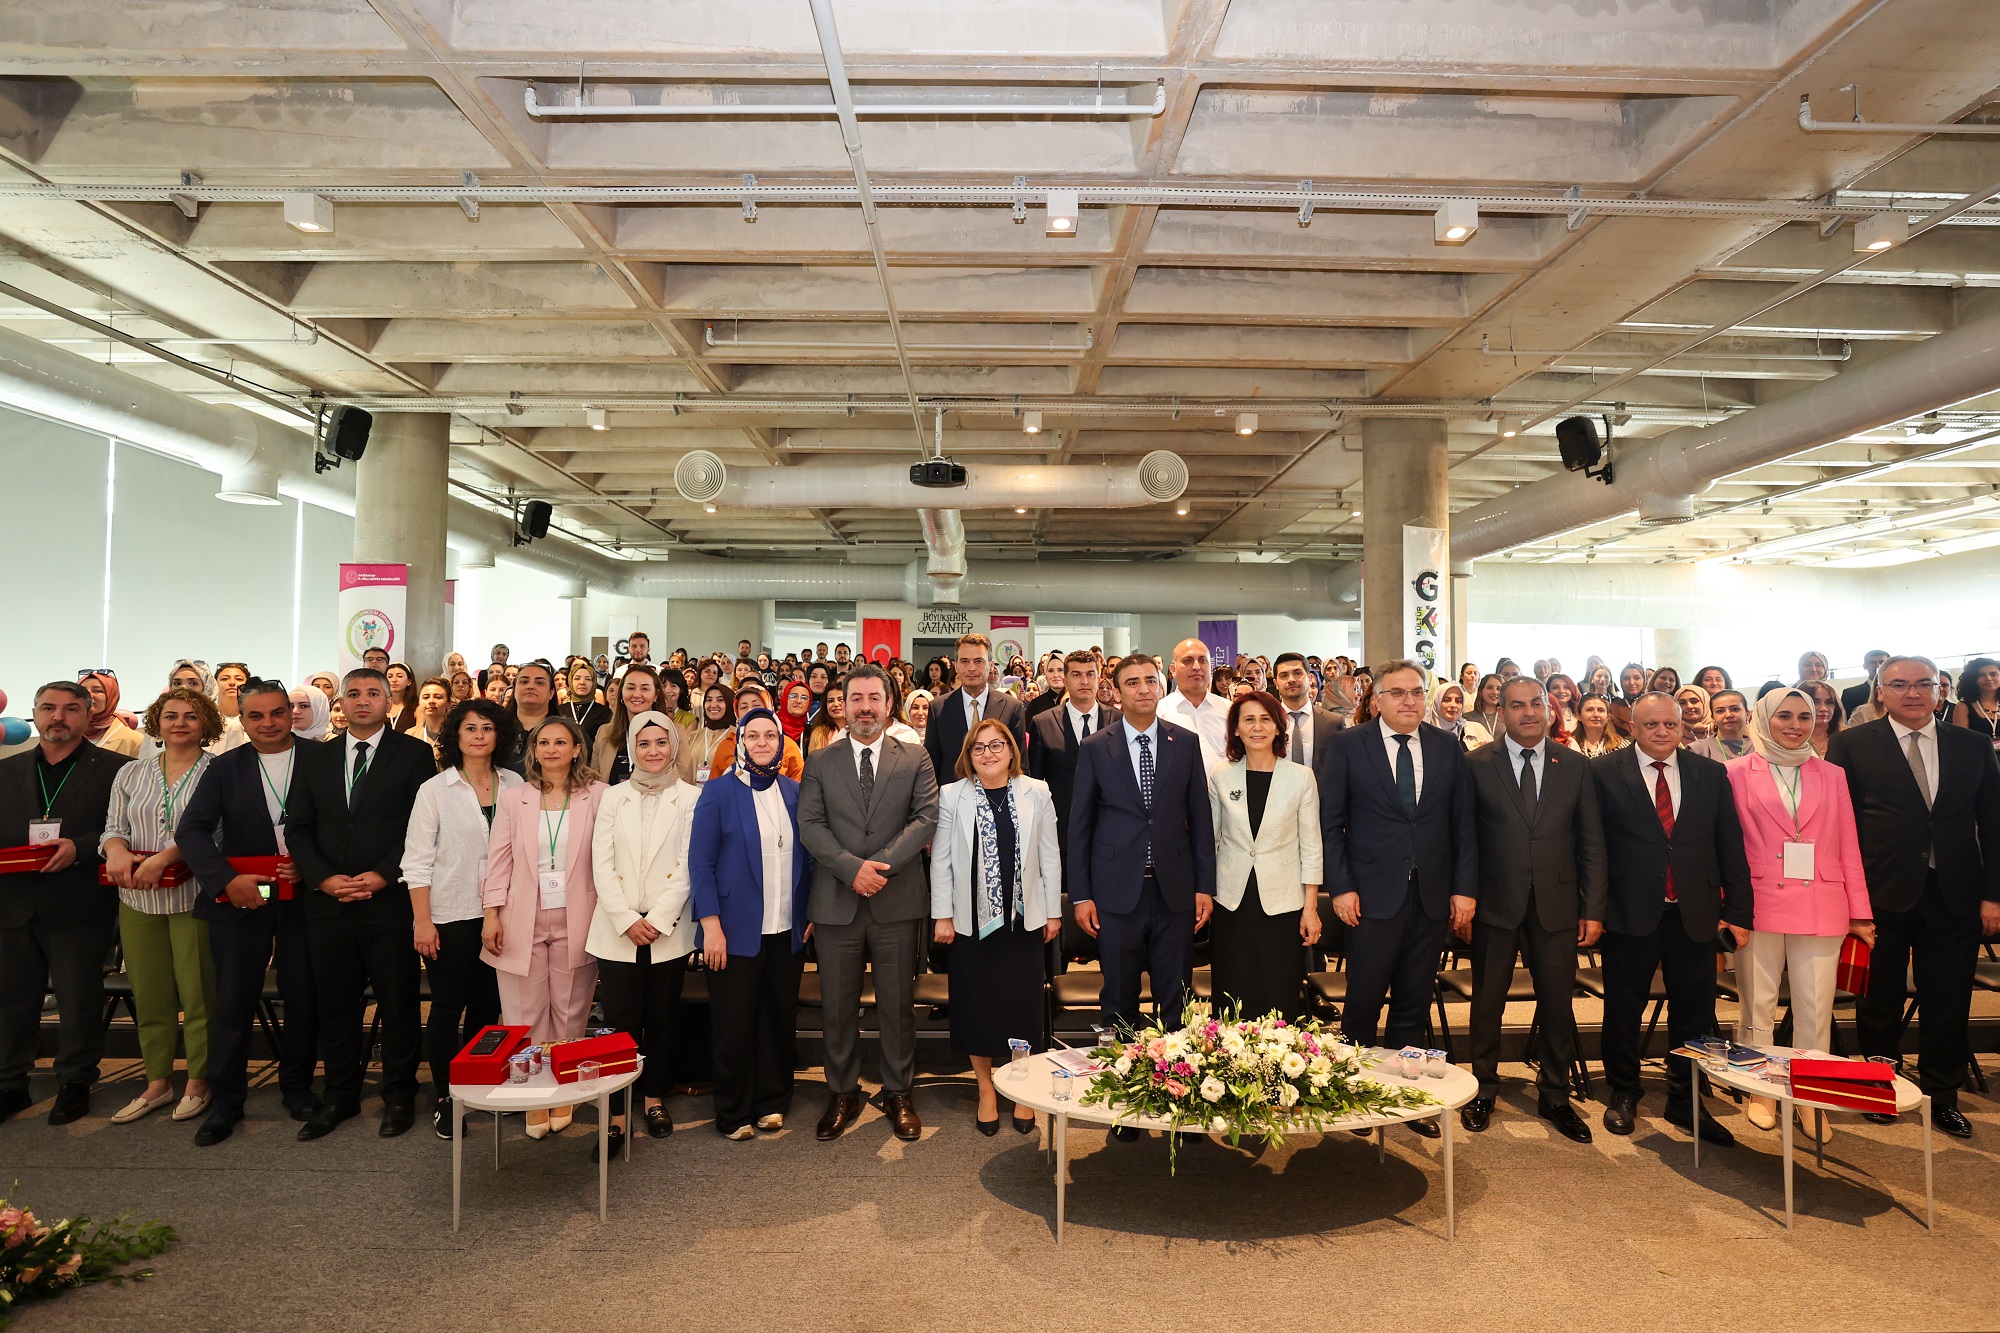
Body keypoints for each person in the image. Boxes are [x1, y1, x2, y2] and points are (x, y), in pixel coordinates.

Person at [1828, 655, 2000, 1140]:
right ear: (1879, 691)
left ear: (1939, 690)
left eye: (1924, 684)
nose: (1912, 693)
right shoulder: (1851, 744)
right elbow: (1838, 826)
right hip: (1879, 894)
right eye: (1899, 684)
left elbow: (1993, 822)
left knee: (1948, 998)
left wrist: (1994, 896)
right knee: (1878, 999)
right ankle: (1880, 1089)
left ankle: (1943, 1095)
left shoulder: (1970, 744)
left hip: (1956, 892)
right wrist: (1848, 898)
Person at [1318, 660, 1476, 1138]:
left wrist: (1464, 888)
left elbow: (1463, 825)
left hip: (1430, 895)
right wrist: (1341, 887)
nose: (1409, 700)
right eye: (1398, 693)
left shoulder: (1447, 747)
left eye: (1416, 692)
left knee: (1413, 999)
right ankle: (1355, 1094)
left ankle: (1409, 1098)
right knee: (1363, 1000)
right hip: (1369, 895)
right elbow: (1331, 824)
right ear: (1377, 699)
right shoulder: (1348, 746)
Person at [1592, 692, 1752, 1144]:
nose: (1661, 732)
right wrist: (1594, 910)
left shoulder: (1710, 773)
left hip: (1695, 913)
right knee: (1623, 1009)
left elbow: (1730, 846)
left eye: (1670, 724)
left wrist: (1737, 911)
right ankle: (1624, 1092)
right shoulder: (1604, 772)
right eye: (1650, 725)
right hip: (1628, 913)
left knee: (1695, 1013)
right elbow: (1593, 847)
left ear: (1683, 728)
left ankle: (1687, 1099)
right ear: (1632, 728)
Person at [1068, 653, 1217, 1138]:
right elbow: (1081, 826)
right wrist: (1081, 895)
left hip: (1174, 891)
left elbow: (1201, 821)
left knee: (1174, 996)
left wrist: (1203, 887)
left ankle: (1175, 1094)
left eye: (1150, 681)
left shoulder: (1185, 743)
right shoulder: (1096, 747)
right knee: (1119, 998)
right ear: (1116, 691)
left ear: (1160, 685)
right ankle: (1126, 1100)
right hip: (1115, 894)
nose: (1143, 689)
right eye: (1131, 683)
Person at [285, 668, 435, 1141]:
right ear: (341, 704)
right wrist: (324, 879)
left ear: (390, 701)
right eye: (353, 694)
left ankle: (398, 1096)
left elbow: (423, 825)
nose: (363, 700)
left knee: (399, 1003)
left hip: (388, 901)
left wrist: (386, 874)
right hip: (330, 903)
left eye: (374, 693)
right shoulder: (316, 757)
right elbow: (299, 828)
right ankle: (341, 1096)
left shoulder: (414, 754)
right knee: (336, 1004)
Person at [1459, 678, 1606, 1142]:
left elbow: (1592, 843)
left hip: (1558, 905)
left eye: (1535, 704)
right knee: (1488, 1002)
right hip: (1494, 903)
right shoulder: (1476, 765)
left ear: (1551, 708)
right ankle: (1482, 1087)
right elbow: (1463, 840)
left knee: (1559, 1005)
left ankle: (1556, 1095)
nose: (1528, 713)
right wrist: (1463, 897)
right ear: (1500, 711)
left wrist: (1593, 907)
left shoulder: (1576, 767)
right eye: (1517, 705)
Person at [798, 665, 939, 1143]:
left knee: (898, 1006)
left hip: (895, 899)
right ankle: (842, 1092)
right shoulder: (820, 760)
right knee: (837, 1007)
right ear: (842, 702)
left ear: (888, 703)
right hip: (836, 901)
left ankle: (899, 1091)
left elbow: (925, 818)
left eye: (873, 698)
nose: (864, 707)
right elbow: (811, 825)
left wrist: (875, 868)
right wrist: (848, 869)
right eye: (855, 697)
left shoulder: (915, 756)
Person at [1724, 687, 1873, 1139]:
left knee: (1815, 1008)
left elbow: (1849, 843)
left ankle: (1812, 1099)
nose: (1794, 725)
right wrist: (1728, 907)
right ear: (1763, 718)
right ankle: (1761, 1089)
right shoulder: (1732, 772)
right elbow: (1726, 847)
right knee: (1758, 1005)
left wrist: (1860, 911)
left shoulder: (1832, 774)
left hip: (1822, 902)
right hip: (1758, 902)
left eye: (1804, 717)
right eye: (1784, 716)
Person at [178, 679, 322, 1145]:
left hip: (305, 898)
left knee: (304, 995)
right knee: (233, 1000)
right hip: (242, 895)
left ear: (291, 713)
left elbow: (342, 826)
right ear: (242, 718)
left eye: (277, 713)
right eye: (256, 716)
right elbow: (192, 831)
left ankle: (297, 1088)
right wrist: (224, 879)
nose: (268, 723)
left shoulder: (322, 759)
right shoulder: (224, 768)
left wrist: (314, 863)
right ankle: (226, 1102)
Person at [0, 682, 132, 1125]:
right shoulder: (6, 769)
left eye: (71, 709)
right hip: (13, 904)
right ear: (34, 713)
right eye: (49, 708)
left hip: (80, 902)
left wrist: (80, 845)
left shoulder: (119, 770)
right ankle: (10, 1083)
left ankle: (75, 1082)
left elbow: (130, 828)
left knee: (79, 999)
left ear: (87, 714)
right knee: (12, 1000)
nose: (59, 716)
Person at [931, 718, 1061, 1134]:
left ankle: (1021, 1089)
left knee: (1021, 1007)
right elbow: (942, 861)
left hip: (1023, 920)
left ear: (1011, 750)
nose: (988, 753)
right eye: (978, 748)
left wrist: (1054, 911)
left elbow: (1050, 854)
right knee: (978, 1008)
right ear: (968, 755)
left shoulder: (1036, 790)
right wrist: (943, 914)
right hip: (972, 924)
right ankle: (986, 1089)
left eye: (996, 745)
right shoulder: (952, 795)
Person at [482, 717, 608, 1140]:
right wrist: (491, 913)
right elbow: (498, 859)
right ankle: (534, 1095)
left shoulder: (600, 796)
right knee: (525, 1009)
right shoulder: (514, 797)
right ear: (533, 750)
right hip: (523, 916)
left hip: (579, 915)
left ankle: (564, 1092)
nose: (551, 749)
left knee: (571, 1010)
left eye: (561, 742)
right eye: (543, 742)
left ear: (577, 749)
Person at [99, 687, 220, 1125]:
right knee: (150, 995)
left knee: (199, 994)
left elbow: (218, 833)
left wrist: (165, 858)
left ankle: (199, 1082)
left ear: (205, 722)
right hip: (136, 897)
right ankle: (157, 1083)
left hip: (194, 896)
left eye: (191, 715)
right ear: (157, 722)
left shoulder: (218, 772)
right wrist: (114, 850)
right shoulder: (131, 774)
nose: (180, 723)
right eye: (171, 715)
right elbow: (113, 826)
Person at [690, 707, 811, 1140]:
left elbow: (809, 860)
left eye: (770, 736)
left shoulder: (795, 792)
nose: (762, 743)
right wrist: (711, 926)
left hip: (786, 929)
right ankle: (732, 1111)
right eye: (753, 736)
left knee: (778, 1020)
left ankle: (772, 1102)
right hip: (732, 932)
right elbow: (700, 865)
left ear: (782, 743)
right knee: (734, 1024)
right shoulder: (719, 792)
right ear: (740, 742)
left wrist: (808, 915)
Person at [402, 699, 520, 1140]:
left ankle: (479, 1086)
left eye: (487, 728)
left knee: (490, 1008)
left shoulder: (515, 783)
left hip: (503, 914)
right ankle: (445, 1097)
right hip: (450, 915)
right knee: (448, 1008)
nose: (477, 735)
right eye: (469, 728)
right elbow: (415, 862)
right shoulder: (435, 790)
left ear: (499, 736)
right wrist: (422, 921)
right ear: (454, 736)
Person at [589, 712, 699, 1158]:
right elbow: (601, 862)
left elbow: (690, 864)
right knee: (619, 1023)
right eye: (644, 743)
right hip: (616, 930)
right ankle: (617, 1112)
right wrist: (625, 918)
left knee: (661, 1018)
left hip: (666, 930)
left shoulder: (692, 798)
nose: (653, 751)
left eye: (661, 742)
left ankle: (653, 1099)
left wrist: (657, 918)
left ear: (674, 746)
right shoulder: (612, 798)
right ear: (632, 748)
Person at [1206, 691, 1322, 1023]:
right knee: (1232, 991)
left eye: (1265, 719)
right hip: (1232, 901)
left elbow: (1311, 847)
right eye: (1249, 720)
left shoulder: (1301, 778)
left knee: (1278, 990)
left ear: (1278, 727)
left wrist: (1311, 909)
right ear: (1236, 730)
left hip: (1283, 904)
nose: (1258, 727)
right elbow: (1211, 840)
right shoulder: (1221, 775)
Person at [1027, 651, 1115, 872]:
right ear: (1065, 680)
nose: (1084, 681)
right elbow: (1034, 783)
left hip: (1109, 832)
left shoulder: (1119, 721)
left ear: (1099, 677)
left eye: (1090, 674)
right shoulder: (1043, 722)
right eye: (1076, 675)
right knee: (1064, 901)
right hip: (1060, 831)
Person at [924, 633, 1029, 784]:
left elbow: (1020, 765)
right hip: (953, 801)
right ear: (956, 666)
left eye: (978, 661)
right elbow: (932, 765)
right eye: (965, 661)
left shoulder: (1011, 707)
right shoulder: (938, 708)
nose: (971, 668)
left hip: (1000, 798)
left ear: (991, 664)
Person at [1272, 651, 1346, 772]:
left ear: (1309, 676)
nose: (1291, 680)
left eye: (1297, 673)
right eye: (1284, 675)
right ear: (1276, 683)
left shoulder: (1333, 722)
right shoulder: (1268, 721)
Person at [591, 664, 662, 786]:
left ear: (656, 695)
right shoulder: (604, 733)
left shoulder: (673, 733)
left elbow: (682, 781)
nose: (637, 694)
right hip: (613, 803)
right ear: (621, 693)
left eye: (645, 689)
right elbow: (594, 782)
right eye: (630, 688)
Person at [1162, 638, 1227, 764]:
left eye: (1203, 661)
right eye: (1188, 661)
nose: (1197, 667)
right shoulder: (1159, 713)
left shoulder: (1228, 710)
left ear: (1211, 668)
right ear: (1173, 670)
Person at [505, 661, 557, 774]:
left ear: (551, 693)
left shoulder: (567, 731)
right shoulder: (496, 728)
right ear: (514, 690)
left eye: (539, 683)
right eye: (524, 682)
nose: (530, 686)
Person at [79, 671, 142, 758]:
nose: (88, 695)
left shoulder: (134, 741)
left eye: (97, 690)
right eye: (82, 690)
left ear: (111, 697)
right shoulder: (62, 734)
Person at [1424, 682, 1492, 752]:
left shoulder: (1477, 729)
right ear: (1437, 703)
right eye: (1447, 700)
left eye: (1458, 701)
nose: (1453, 705)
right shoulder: (1423, 734)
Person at [560, 658, 612, 749]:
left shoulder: (605, 713)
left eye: (588, 679)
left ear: (594, 683)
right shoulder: (559, 710)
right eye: (577, 678)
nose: (582, 682)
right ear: (570, 682)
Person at [1950, 656, 2000, 748]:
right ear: (1972, 679)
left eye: (1993, 674)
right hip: (1979, 759)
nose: (1988, 678)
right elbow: (1961, 742)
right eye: (1981, 675)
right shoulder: (1963, 707)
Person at [1689, 690, 1751, 761]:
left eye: (1735, 709)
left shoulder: (1760, 747)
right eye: (1720, 711)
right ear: (1713, 718)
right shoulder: (1698, 749)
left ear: (1747, 714)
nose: (1728, 715)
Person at [406, 677, 450, 761]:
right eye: (426, 697)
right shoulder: (410, 735)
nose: (431, 701)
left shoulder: (456, 735)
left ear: (449, 704)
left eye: (437, 697)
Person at [211, 662, 252, 752]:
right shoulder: (205, 720)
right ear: (214, 685)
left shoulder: (257, 721)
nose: (232, 683)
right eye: (225, 679)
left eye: (239, 679)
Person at [1799, 679, 1843, 757]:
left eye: (1829, 702)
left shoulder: (1847, 737)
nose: (1823, 708)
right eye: (1815, 702)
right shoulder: (1792, 739)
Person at [1469, 673, 1505, 738]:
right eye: (1489, 688)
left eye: (1499, 688)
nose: (1494, 692)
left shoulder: (1508, 718)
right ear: (1481, 691)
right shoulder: (1468, 719)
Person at [385, 662, 417, 732]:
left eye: (399, 676)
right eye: (390, 676)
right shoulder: (380, 705)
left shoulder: (417, 707)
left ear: (409, 681)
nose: (394, 680)